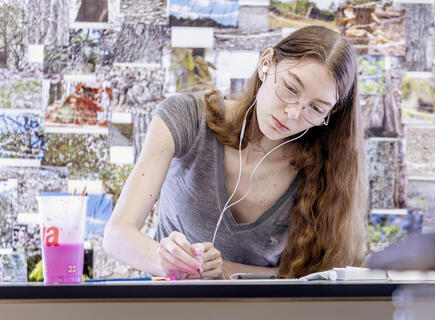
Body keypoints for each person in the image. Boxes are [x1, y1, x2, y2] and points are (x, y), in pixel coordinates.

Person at [103, 25, 368, 279]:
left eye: (316, 108)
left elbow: (313, 277)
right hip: (172, 305)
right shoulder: (186, 117)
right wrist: (166, 260)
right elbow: (117, 235)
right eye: (289, 88)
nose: (293, 113)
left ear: (330, 113)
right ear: (266, 63)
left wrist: (223, 271)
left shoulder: (326, 168)